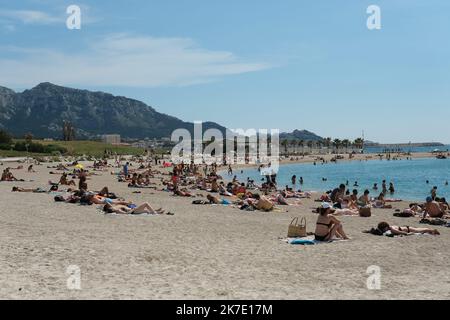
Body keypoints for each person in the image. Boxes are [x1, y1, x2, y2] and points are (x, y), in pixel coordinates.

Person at [370, 222, 439, 236]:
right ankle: (431, 231)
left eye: (383, 229)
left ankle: (433, 230)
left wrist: (409, 234)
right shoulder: (389, 228)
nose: (383, 230)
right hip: (406, 227)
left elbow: (401, 233)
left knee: (422, 230)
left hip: (409, 229)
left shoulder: (392, 229)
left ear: (385, 227)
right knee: (420, 229)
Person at [103, 202, 168, 215]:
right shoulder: (115, 209)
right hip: (132, 211)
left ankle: (157, 211)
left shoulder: (114, 207)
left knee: (146, 210)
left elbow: (107, 203)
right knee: (146, 203)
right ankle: (154, 213)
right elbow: (125, 213)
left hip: (133, 210)